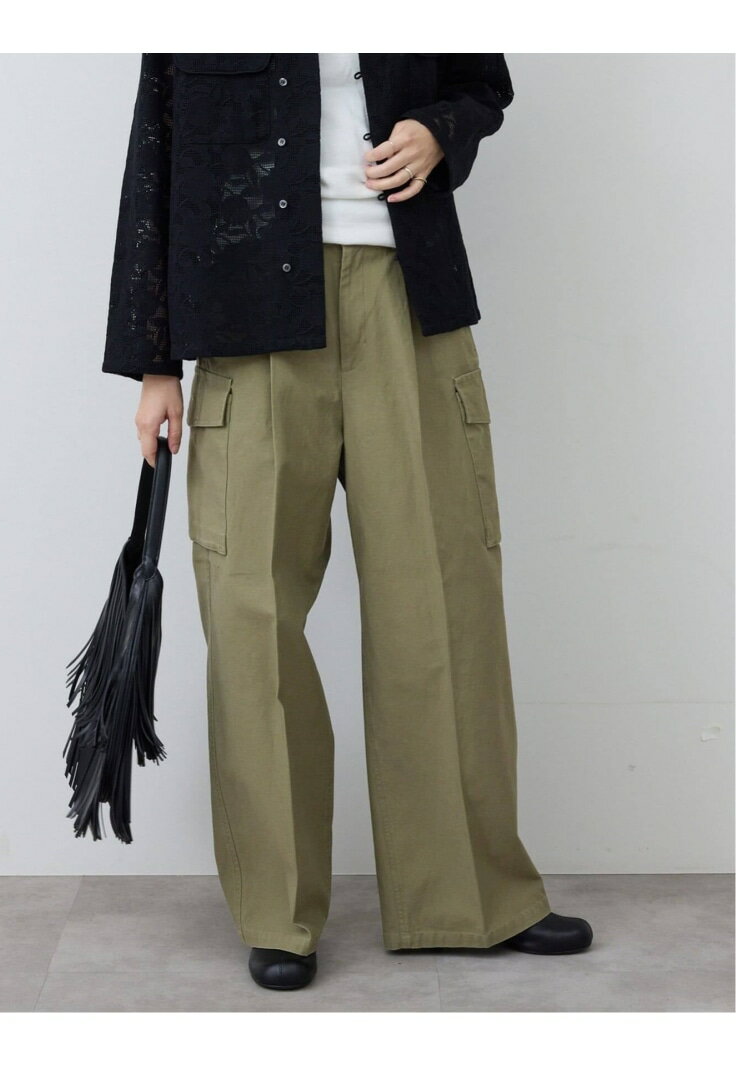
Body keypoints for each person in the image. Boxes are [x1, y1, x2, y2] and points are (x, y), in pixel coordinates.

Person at [102, 53, 593, 992]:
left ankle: (467, 896)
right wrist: (154, 362)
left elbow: (482, 86)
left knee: (441, 597)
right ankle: (277, 911)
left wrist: (440, 132)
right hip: (248, 314)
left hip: (406, 297)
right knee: (252, 616)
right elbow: (153, 154)